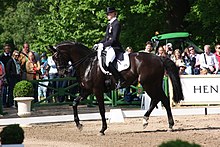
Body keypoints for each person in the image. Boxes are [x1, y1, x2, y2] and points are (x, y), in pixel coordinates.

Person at [95, 7, 125, 89]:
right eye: (107, 14)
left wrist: (104, 45)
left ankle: (120, 80)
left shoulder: (116, 23)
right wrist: (99, 44)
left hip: (115, 47)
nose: (107, 15)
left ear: (113, 13)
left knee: (108, 62)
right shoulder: (110, 24)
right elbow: (106, 38)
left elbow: (114, 39)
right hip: (109, 47)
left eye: (109, 13)